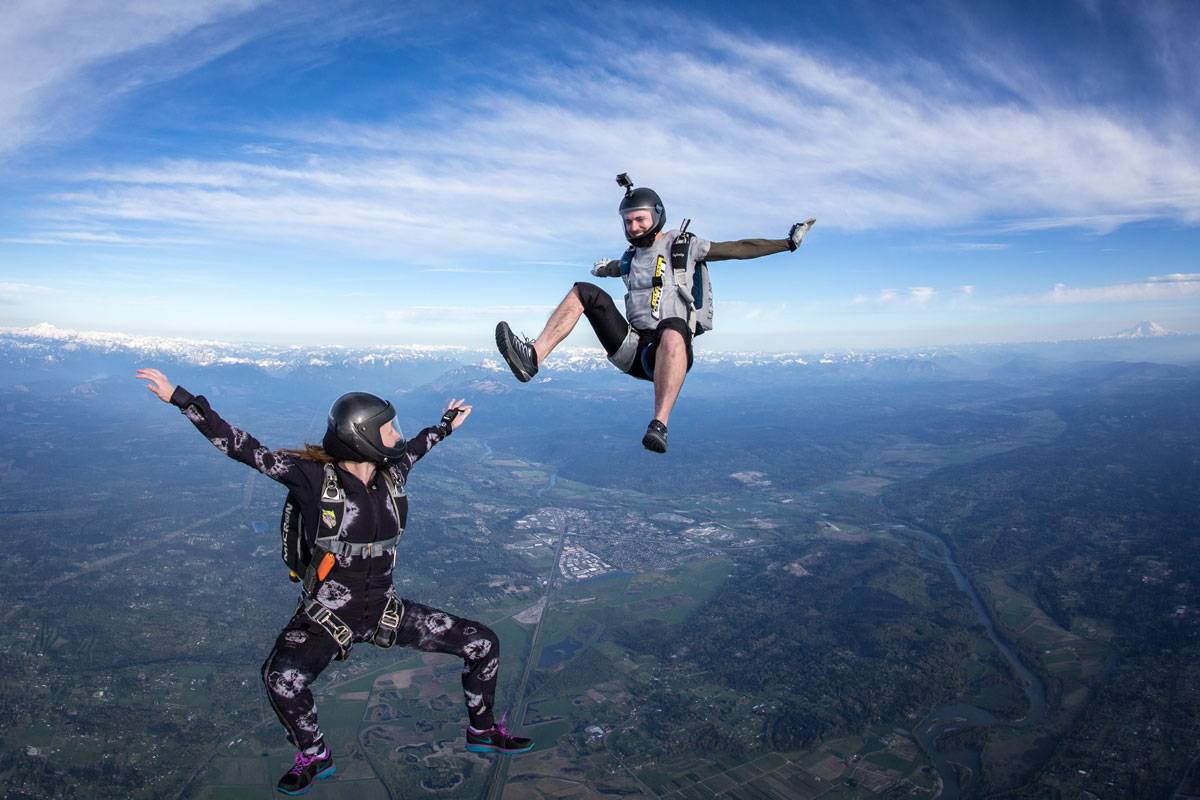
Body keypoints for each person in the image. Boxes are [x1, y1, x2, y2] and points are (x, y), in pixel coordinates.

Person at [135, 368, 532, 796]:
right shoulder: (310, 478)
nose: (396, 435)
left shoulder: (393, 472)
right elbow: (243, 447)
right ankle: (313, 754)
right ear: (362, 436)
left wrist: (446, 424)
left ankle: (483, 730)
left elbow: (421, 444)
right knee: (280, 678)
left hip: (385, 611)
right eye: (387, 428)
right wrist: (182, 398)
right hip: (327, 616)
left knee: (483, 643)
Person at [495, 176, 814, 453]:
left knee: (673, 328)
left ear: (657, 216)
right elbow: (611, 269)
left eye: (640, 219)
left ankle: (659, 424)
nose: (633, 226)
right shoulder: (630, 258)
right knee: (583, 290)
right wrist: (602, 269)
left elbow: (739, 248)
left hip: (666, 354)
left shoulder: (684, 244)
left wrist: (786, 244)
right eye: (628, 221)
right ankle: (532, 358)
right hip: (632, 347)